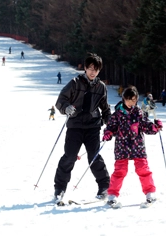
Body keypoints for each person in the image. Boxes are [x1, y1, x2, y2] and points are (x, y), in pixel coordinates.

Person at [53, 53, 111, 201]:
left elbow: (105, 108)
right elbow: (61, 99)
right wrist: (66, 108)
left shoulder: (101, 87)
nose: (93, 72)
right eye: (90, 68)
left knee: (94, 156)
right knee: (70, 156)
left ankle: (104, 186)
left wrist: (110, 124)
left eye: (96, 69)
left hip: (93, 127)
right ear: (85, 68)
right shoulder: (75, 83)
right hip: (75, 125)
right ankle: (60, 188)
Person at [102, 86, 163, 206]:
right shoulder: (117, 114)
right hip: (122, 147)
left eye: (134, 100)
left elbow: (145, 125)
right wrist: (108, 133)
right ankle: (112, 195)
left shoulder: (139, 113)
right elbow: (110, 128)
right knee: (120, 171)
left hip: (137, 146)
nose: (132, 102)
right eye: (129, 99)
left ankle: (150, 193)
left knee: (143, 169)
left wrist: (155, 127)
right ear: (124, 99)